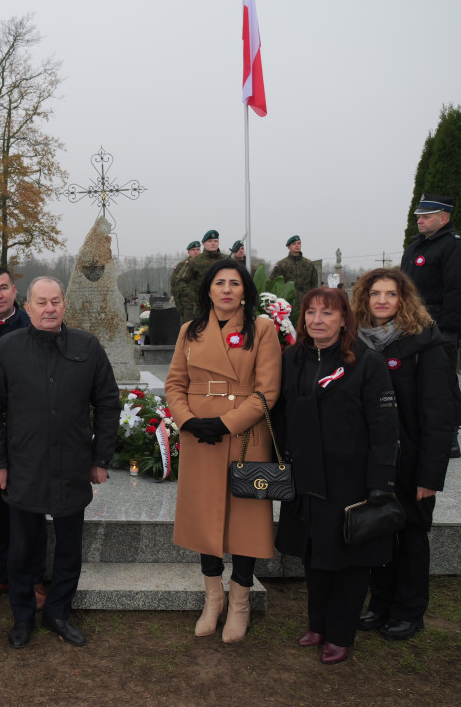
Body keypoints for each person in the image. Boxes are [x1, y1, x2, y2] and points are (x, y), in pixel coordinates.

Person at [0, 277, 120, 649]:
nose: (49, 308)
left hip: (72, 465)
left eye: (55, 301)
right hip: (24, 467)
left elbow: (107, 402)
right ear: (28, 308)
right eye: (41, 302)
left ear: (64, 306)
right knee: (22, 550)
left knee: (70, 549)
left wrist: (100, 458)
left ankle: (58, 613)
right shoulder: (7, 349)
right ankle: (22, 617)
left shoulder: (87, 347)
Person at [275, 287, 398, 665]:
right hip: (307, 475)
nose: (317, 320)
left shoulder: (366, 362)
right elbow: (280, 413)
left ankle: (341, 633)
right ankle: (318, 624)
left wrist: (381, 481)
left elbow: (384, 425)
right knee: (314, 554)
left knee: (348, 557)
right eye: (311, 313)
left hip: (351, 478)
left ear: (344, 318)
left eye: (327, 314)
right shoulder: (292, 358)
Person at [164, 259, 282, 643]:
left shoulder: (262, 329)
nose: (227, 289)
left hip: (245, 435)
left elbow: (268, 391)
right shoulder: (189, 330)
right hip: (199, 438)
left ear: (245, 290)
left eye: (234, 283)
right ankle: (212, 600)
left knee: (245, 519)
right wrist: (188, 420)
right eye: (219, 283)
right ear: (209, 290)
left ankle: (240, 602)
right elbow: (174, 385)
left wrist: (227, 422)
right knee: (204, 517)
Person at [350, 268, 454, 641]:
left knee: (410, 536)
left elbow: (440, 414)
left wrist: (430, 475)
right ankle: (379, 604)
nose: (381, 300)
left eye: (390, 294)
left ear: (403, 299)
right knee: (379, 533)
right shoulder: (357, 343)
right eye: (374, 293)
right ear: (363, 299)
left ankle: (409, 612)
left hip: (412, 462)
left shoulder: (425, 343)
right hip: (374, 461)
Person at [0, 266, 47, 611]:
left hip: (29, 430)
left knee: (31, 510)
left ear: (15, 292)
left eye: (4, 287)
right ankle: (0, 575)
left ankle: (33, 577)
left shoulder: (34, 326)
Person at [401, 195, 461, 458]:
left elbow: (456, 290)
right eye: (418, 217)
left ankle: (449, 436)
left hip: (439, 326)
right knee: (412, 380)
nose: (420, 221)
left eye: (425, 216)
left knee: (443, 382)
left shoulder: (452, 246)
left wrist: (448, 330)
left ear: (443, 218)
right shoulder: (416, 248)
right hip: (411, 325)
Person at [183, 231, 224, 317]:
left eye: (215, 241)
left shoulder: (227, 260)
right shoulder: (194, 261)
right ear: (203, 243)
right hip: (202, 309)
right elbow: (181, 282)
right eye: (210, 241)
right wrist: (196, 297)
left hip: (223, 307)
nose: (213, 243)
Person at [270, 235, 320, 305]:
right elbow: (274, 284)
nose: (297, 245)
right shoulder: (281, 264)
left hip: (306, 301)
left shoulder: (309, 264)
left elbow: (314, 284)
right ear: (288, 247)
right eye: (294, 244)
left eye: (299, 243)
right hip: (287, 302)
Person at [170, 241, 201, 324]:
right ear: (188, 252)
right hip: (187, 307)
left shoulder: (203, 265)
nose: (196, 252)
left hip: (202, 305)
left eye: (198, 249)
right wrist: (179, 307)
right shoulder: (181, 266)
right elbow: (175, 287)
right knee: (187, 331)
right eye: (193, 250)